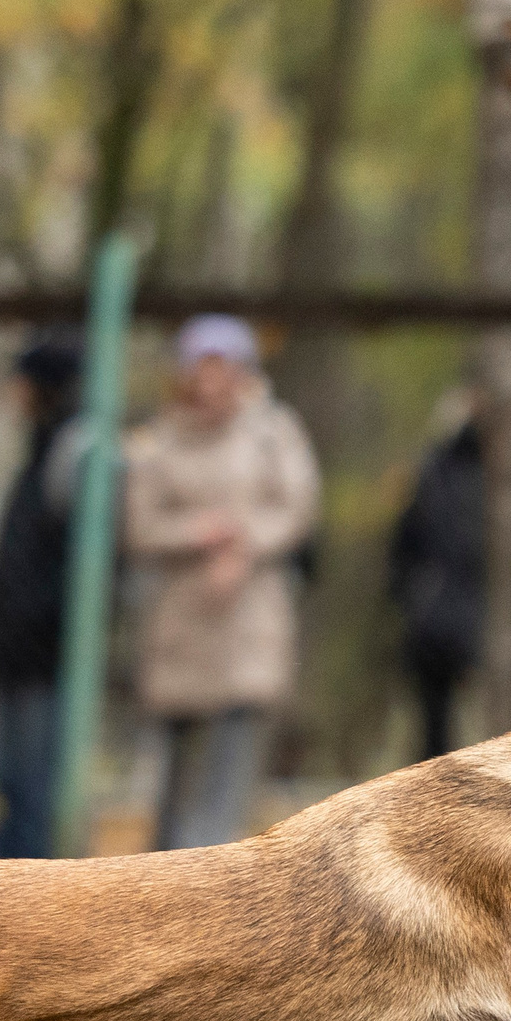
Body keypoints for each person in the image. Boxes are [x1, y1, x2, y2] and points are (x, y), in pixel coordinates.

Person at [122, 315, 320, 850]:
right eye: (201, 368)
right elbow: (141, 524)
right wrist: (196, 534)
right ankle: (163, 863)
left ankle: (215, 861)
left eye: (222, 367)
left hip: (248, 613)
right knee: (173, 763)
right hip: (181, 617)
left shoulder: (273, 433)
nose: (211, 381)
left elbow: (296, 507)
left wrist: (242, 543)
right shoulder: (159, 440)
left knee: (232, 756)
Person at [0, 333, 86, 859]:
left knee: (34, 778)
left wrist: (37, 623)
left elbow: (71, 561)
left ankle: (26, 875)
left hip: (47, 650)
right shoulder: (41, 449)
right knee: (10, 775)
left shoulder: (75, 453)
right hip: (19, 648)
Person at [387, 403, 487, 760]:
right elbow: (405, 544)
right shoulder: (435, 473)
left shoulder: (442, 471)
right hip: (439, 623)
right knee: (437, 729)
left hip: (456, 619)